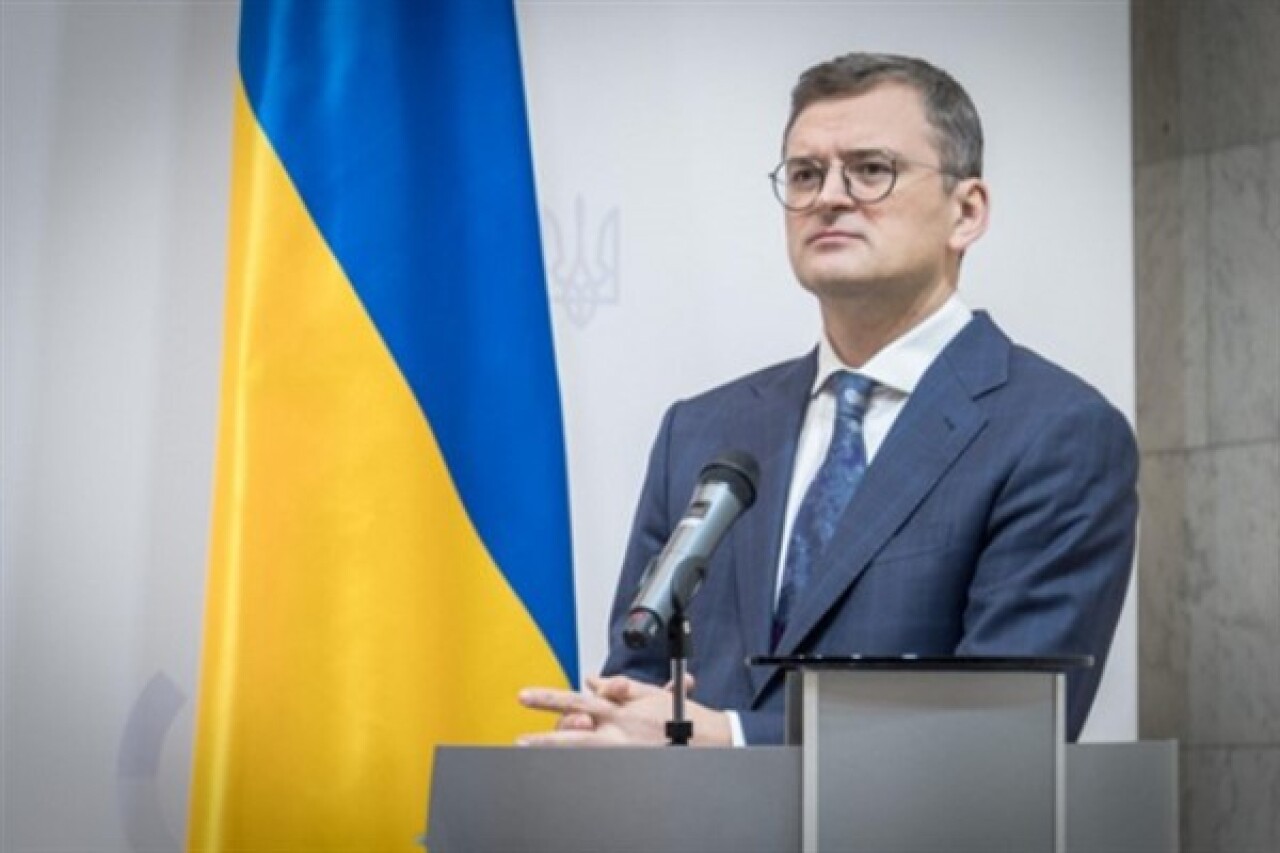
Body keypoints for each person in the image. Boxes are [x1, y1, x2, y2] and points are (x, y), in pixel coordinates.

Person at [517, 52, 1137, 746]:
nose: (829, 197)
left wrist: (733, 737)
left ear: (966, 212)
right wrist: (611, 726)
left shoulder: (1056, 433)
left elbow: (1003, 732)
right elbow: (642, 677)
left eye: (871, 170)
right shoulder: (702, 432)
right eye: (806, 174)